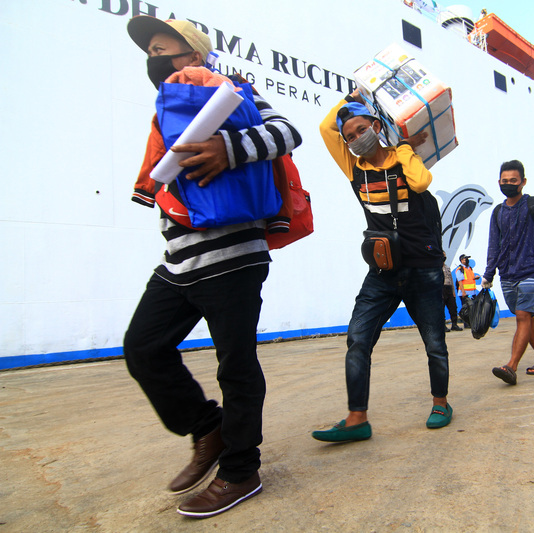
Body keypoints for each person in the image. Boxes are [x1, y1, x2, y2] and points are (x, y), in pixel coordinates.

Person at [122, 17, 302, 518]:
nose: (154, 58)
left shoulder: (236, 91)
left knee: (236, 366)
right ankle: (209, 428)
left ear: (194, 54)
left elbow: (288, 133)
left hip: (233, 257)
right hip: (179, 260)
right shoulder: (168, 109)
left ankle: (241, 470)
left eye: (164, 48)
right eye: (151, 51)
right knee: (143, 348)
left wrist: (229, 148)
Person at [312, 91, 452, 442]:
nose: (357, 139)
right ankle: (357, 418)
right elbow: (324, 127)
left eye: (361, 130)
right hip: (382, 271)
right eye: (351, 136)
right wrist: (349, 98)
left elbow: (420, 182)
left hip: (423, 268)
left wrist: (402, 147)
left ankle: (441, 403)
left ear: (376, 126)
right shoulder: (353, 168)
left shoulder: (403, 158)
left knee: (434, 342)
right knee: (358, 339)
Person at [482, 160, 534, 385]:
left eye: (513, 181)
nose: (508, 184)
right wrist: (489, 274)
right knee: (525, 317)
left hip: (531, 269)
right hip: (506, 273)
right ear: (499, 182)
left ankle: (511, 366)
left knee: (522, 315)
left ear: (523, 182)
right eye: (504, 181)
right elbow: (494, 244)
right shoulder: (498, 211)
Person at [442, 252, 463, 331]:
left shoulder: (447, 267)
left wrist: (453, 291)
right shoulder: (436, 267)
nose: (444, 256)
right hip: (441, 289)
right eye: (443, 255)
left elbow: (451, 279)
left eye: (445, 255)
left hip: (449, 288)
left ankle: (454, 324)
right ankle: (442, 326)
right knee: (441, 309)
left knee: (453, 307)